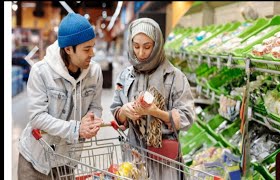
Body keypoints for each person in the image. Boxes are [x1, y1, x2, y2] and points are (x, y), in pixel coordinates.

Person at [17, 13, 104, 179]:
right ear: (68, 49)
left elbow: (96, 106)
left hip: (67, 161)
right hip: (35, 162)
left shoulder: (95, 72)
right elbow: (37, 117)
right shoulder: (41, 72)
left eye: (93, 46)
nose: (92, 53)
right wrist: (77, 128)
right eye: (86, 49)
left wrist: (92, 121)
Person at [110, 18, 195, 179]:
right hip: (134, 156)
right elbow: (116, 110)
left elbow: (187, 116)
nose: (141, 53)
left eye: (147, 47)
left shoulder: (174, 77)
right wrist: (124, 111)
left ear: (157, 45)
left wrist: (157, 112)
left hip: (164, 161)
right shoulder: (125, 76)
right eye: (136, 46)